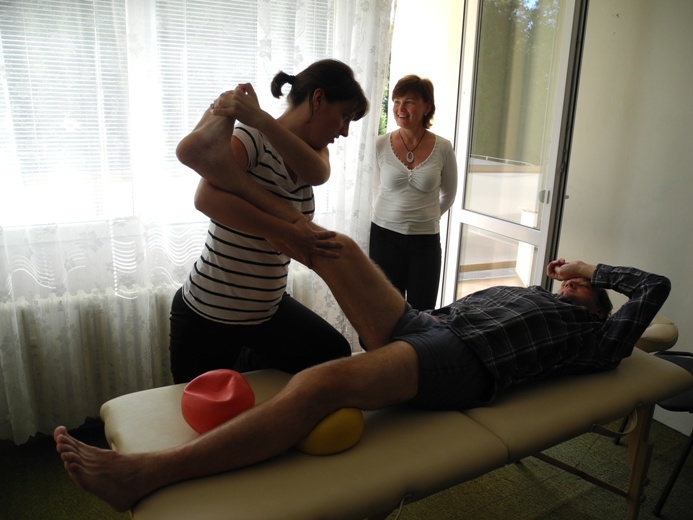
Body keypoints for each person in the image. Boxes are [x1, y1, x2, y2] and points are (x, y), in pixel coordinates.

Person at [54, 99, 671, 513]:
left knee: (322, 382)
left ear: (599, 308)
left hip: (465, 364)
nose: (566, 287)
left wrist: (591, 271)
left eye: (578, 290)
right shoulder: (535, 297)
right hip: (428, 326)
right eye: (569, 283)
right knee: (334, 246)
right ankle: (226, 177)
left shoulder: (597, 340)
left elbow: (654, 287)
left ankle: (149, 472)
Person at [168, 59, 369, 383]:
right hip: (210, 311)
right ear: (318, 99)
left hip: (266, 311)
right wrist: (289, 229)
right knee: (202, 410)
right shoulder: (251, 139)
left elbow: (319, 175)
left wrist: (262, 118)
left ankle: (243, 363)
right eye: (345, 115)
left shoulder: (312, 156)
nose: (345, 131)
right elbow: (205, 198)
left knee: (332, 352)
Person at [370, 75, 458, 311]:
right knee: (386, 310)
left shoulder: (443, 147)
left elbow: (448, 195)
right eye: (397, 101)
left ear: (426, 107)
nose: (400, 108)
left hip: (425, 240)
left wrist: (424, 217)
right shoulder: (379, 144)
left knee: (423, 310)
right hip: (384, 237)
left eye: (409, 102)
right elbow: (375, 189)